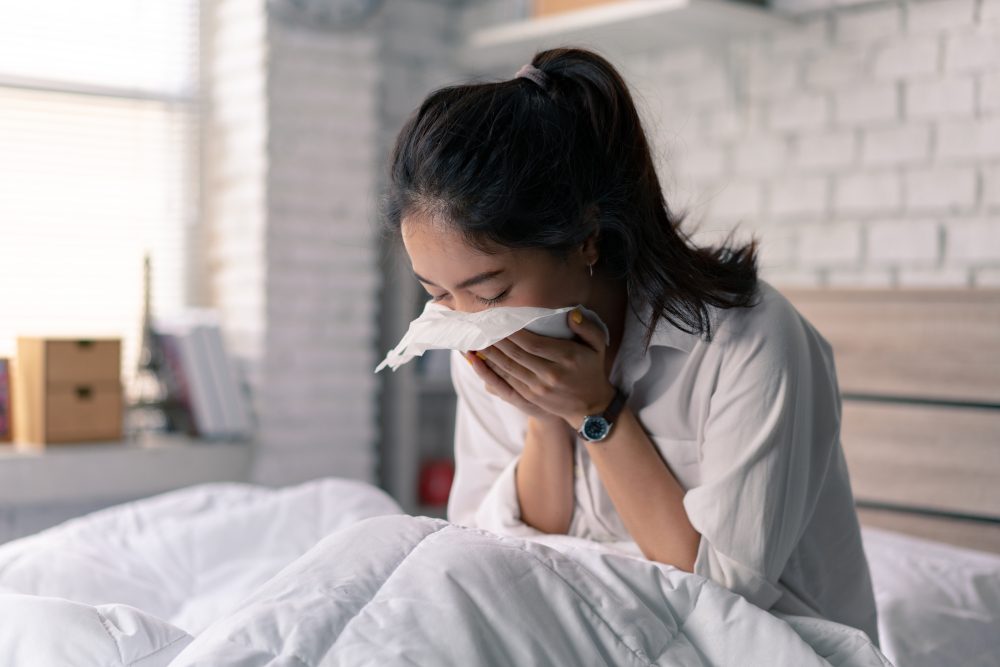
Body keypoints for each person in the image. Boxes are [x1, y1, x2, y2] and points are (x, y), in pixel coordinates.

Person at [379, 46, 879, 646]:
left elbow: (724, 597)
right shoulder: (479, 340)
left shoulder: (748, 340)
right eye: (437, 293)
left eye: (490, 291)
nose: (465, 319)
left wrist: (597, 412)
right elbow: (497, 558)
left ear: (586, 239)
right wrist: (546, 421)